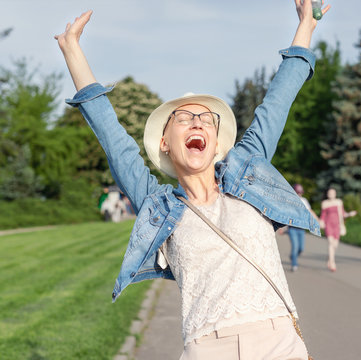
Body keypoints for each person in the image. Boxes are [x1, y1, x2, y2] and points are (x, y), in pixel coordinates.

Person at [54, 2, 329, 359]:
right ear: (165, 143)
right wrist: (73, 49)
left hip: (278, 342)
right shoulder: (158, 205)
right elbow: (114, 140)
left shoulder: (248, 173)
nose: (197, 122)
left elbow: (276, 103)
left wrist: (306, 26)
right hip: (207, 347)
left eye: (206, 119)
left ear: (216, 144)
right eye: (183, 118)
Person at [279, 183, 319, 272]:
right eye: (297, 193)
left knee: (301, 248)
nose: (299, 194)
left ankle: (293, 256)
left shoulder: (304, 201)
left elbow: (309, 211)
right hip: (292, 228)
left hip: (301, 228)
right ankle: (294, 264)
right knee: (295, 247)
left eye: (300, 193)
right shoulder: (290, 202)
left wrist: (317, 220)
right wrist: (282, 227)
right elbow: (286, 215)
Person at [320, 188, 356, 272]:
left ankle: (330, 260)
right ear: (327, 194)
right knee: (331, 243)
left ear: (335, 194)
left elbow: (343, 214)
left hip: (337, 225)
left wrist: (350, 214)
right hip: (328, 224)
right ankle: (332, 263)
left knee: (335, 245)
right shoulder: (324, 203)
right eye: (329, 193)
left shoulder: (339, 202)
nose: (331, 194)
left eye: (332, 193)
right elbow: (323, 215)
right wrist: (321, 222)